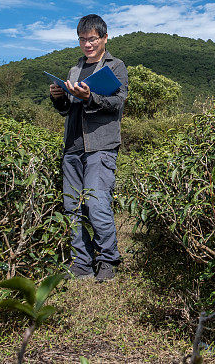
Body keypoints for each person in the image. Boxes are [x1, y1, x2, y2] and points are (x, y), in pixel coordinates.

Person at [49, 14, 128, 282]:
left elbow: (117, 103)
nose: (87, 44)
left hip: (101, 145)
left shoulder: (115, 66)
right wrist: (58, 98)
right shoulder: (74, 70)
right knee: (73, 205)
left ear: (104, 38)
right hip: (73, 145)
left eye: (92, 39)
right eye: (82, 39)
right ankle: (81, 261)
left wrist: (89, 96)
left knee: (96, 202)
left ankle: (107, 260)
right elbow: (67, 110)